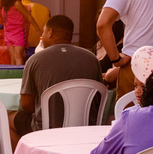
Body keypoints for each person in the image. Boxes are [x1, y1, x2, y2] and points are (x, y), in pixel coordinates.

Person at [10, 15, 102, 143]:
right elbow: (98, 98)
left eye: (43, 31)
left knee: (8, 119)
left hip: (46, 129)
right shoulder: (91, 58)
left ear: (50, 32)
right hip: (85, 127)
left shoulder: (35, 60)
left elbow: (25, 104)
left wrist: (49, 112)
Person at [0, 0, 37, 66]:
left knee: (18, 55)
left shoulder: (17, 4)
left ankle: (18, 76)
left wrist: (38, 29)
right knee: (13, 56)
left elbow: (28, 17)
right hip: (8, 33)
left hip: (18, 32)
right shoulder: (4, 6)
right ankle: (12, 77)